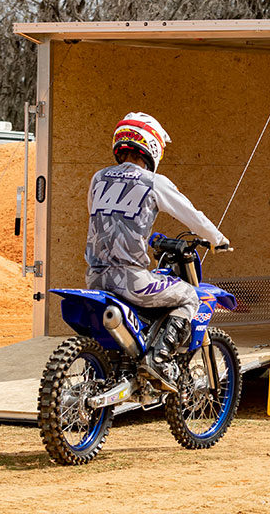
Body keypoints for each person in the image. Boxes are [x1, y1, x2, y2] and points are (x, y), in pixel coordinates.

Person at [84, 112, 229, 390]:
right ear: (152, 147)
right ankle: (158, 360)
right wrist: (217, 239)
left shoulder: (98, 178)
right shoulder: (153, 181)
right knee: (188, 296)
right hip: (132, 280)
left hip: (95, 278)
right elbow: (193, 217)